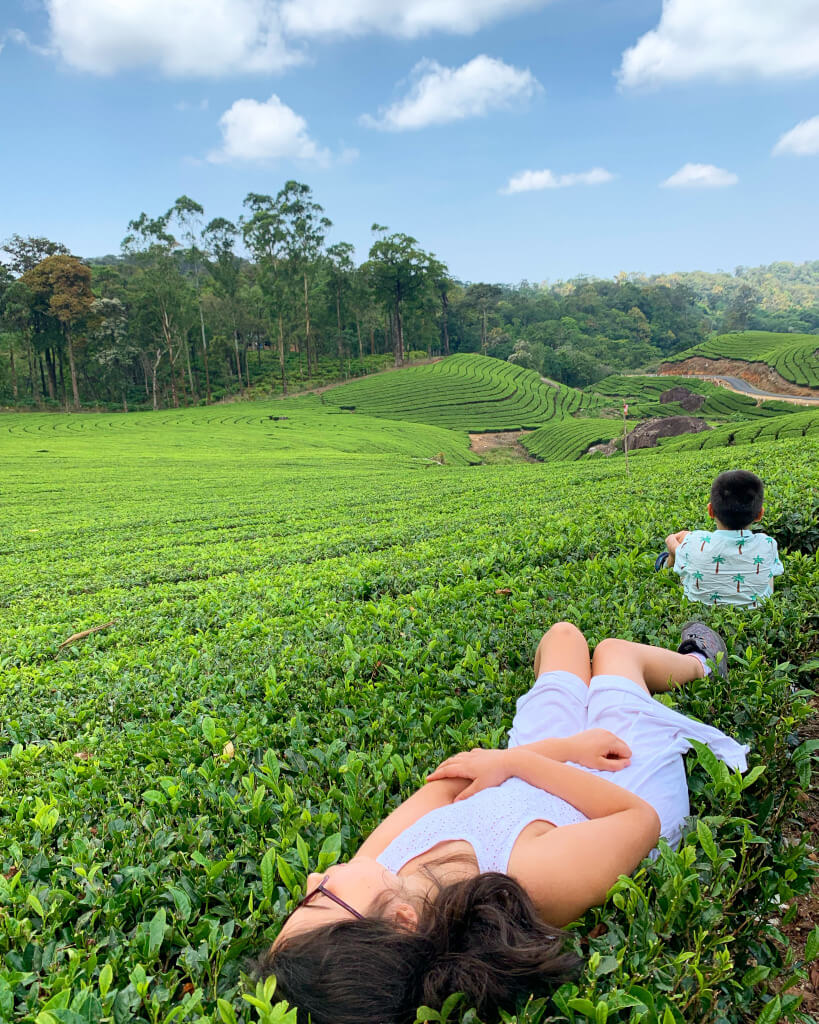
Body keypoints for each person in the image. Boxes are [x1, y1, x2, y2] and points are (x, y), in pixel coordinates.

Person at [256, 621, 748, 1024]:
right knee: (617, 655)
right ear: (402, 921)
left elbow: (451, 781)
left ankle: (578, 711)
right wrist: (526, 763)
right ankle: (702, 664)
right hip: (613, 791)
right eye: (320, 898)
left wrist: (548, 753)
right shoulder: (523, 882)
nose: (313, 877)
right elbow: (635, 819)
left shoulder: (375, 866)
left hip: (526, 771)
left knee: (564, 638)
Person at [655, 469, 784, 607]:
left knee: (685, 546)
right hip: (755, 610)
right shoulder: (767, 543)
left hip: (700, 606)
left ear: (710, 511)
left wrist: (674, 543)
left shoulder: (694, 541)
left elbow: (674, 542)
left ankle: (665, 564)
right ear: (760, 514)